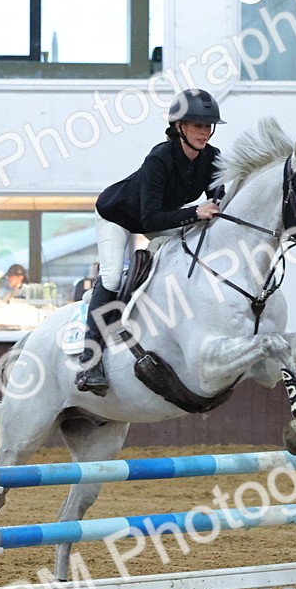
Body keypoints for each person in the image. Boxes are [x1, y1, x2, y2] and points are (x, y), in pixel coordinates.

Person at [75, 88, 226, 396]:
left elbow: (219, 194)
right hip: (117, 215)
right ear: (179, 127)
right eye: (198, 125)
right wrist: (196, 211)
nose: (205, 132)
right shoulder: (159, 158)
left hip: (161, 216)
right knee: (113, 275)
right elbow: (151, 220)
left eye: (208, 125)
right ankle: (89, 362)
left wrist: (216, 204)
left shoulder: (212, 157)